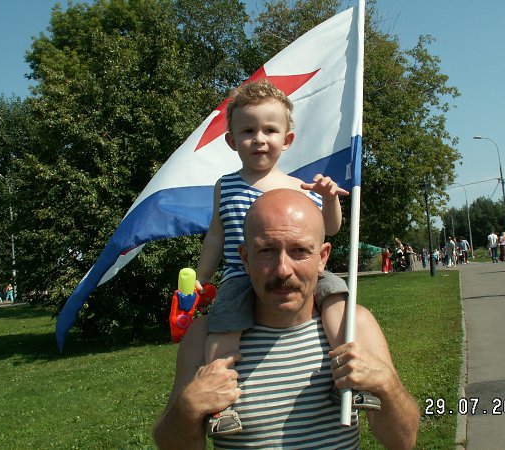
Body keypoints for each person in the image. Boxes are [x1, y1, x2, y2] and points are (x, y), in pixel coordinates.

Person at [153, 189, 420, 450]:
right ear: (245, 258)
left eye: (299, 250)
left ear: (322, 257)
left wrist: (387, 385)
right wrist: (187, 408)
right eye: (266, 251)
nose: (282, 270)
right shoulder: (204, 336)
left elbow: (403, 441)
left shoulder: (354, 326)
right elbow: (170, 444)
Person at [192, 80, 377, 436]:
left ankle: (348, 379)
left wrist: (330, 199)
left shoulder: (299, 187)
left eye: (269, 130)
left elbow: (330, 228)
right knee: (223, 330)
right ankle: (221, 406)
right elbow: (216, 235)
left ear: (287, 139)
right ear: (231, 141)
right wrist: (202, 277)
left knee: (336, 299)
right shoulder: (225, 186)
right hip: (239, 276)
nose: (259, 139)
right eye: (248, 131)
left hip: (302, 272)